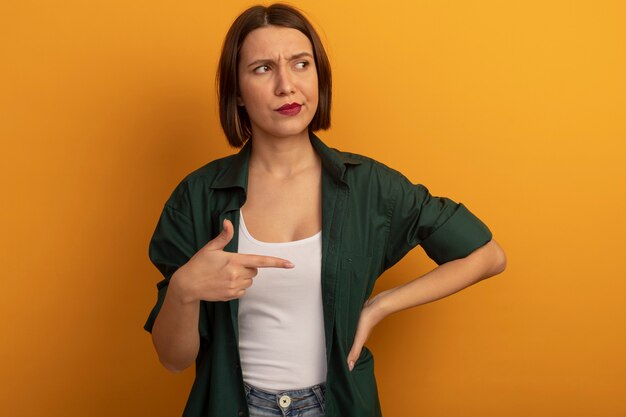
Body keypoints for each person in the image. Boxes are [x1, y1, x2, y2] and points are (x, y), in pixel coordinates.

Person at [144, 3, 506, 417]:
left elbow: (488, 255)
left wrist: (379, 305)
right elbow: (174, 359)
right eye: (263, 68)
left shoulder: (370, 186)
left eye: (301, 64)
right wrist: (185, 289)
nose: (287, 85)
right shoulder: (197, 196)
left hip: (338, 406)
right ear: (238, 92)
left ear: (319, 76)